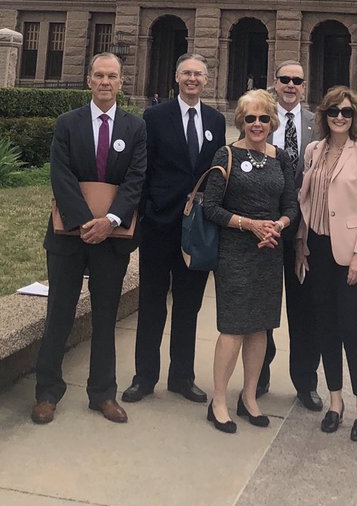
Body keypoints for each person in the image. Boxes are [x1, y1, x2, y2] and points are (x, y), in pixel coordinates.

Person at [31, 54, 146, 425]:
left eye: (112, 76)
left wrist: (109, 221)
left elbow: (136, 178)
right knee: (59, 314)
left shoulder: (135, 127)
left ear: (121, 82)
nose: (105, 82)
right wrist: (84, 222)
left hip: (112, 239)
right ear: (89, 80)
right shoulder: (68, 123)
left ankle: (102, 394)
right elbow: (60, 175)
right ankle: (47, 392)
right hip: (68, 236)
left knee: (105, 316)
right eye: (99, 75)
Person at [122, 53, 225, 405]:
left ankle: (182, 377)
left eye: (198, 73)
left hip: (196, 229)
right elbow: (142, 168)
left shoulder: (215, 120)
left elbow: (216, 173)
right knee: (152, 304)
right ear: (176, 78)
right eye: (186, 73)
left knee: (188, 305)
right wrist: (147, 211)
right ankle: (144, 377)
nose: (192, 79)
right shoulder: (154, 116)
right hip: (160, 225)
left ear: (207, 80)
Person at [203, 89, 298, 433]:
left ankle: (249, 398)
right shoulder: (226, 153)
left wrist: (279, 226)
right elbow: (210, 207)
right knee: (232, 329)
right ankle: (218, 403)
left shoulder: (281, 158)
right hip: (235, 253)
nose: (256, 124)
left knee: (260, 328)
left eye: (263, 118)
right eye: (250, 118)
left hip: (268, 252)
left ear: (272, 121)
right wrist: (249, 225)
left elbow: (291, 206)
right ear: (240, 120)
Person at [296, 86, 357, 442]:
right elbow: (307, 199)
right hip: (316, 246)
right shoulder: (314, 150)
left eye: (346, 112)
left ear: (354, 116)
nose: (340, 118)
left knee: (351, 328)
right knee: (325, 327)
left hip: (350, 253)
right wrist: (301, 244)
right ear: (324, 115)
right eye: (334, 112)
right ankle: (335, 402)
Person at [257, 60, 321, 410]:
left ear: (304, 85)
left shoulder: (317, 124)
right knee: (265, 303)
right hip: (266, 227)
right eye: (285, 79)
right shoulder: (260, 119)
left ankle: (305, 382)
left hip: (304, 229)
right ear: (275, 83)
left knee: (304, 308)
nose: (290, 85)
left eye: (297, 80)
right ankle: (260, 373)